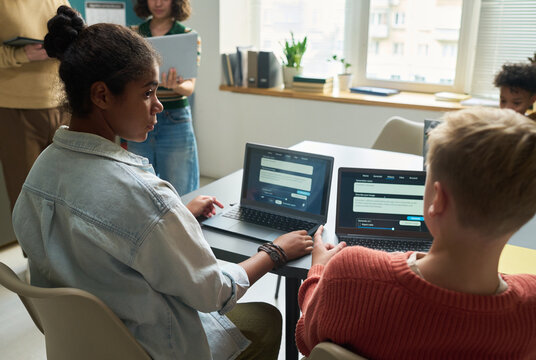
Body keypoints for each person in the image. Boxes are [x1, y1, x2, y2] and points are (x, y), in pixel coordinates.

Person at [12, 6, 314, 360]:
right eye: (146, 93)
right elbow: (215, 293)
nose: (158, 106)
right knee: (264, 319)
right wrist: (274, 252)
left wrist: (173, 218)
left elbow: (93, 235)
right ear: (101, 95)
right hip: (146, 349)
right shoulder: (143, 193)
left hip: (83, 346)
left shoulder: (41, 170)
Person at [295, 107, 536, 358]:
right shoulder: (534, 308)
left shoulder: (351, 273)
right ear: (527, 213)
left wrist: (318, 272)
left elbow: (308, 340)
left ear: (439, 199)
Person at [0, 0, 71, 245]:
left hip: (62, 104)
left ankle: (71, 261)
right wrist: (21, 54)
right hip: (14, 108)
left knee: (69, 191)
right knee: (27, 196)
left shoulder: (57, 0)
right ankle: (37, 268)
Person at [126, 0, 200, 196]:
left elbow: (189, 88)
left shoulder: (187, 36)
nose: (158, 3)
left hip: (176, 119)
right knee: (137, 189)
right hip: (138, 117)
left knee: (181, 191)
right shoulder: (133, 33)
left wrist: (175, 85)